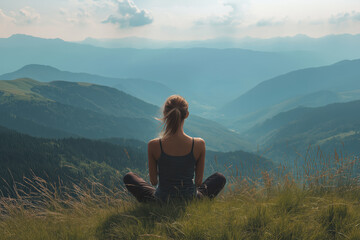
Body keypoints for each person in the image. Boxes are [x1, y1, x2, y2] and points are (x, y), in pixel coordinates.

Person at [123, 95, 226, 202]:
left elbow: (153, 181)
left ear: (165, 114)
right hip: (190, 199)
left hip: (161, 200)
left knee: (129, 177)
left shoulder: (154, 144)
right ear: (186, 115)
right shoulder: (199, 143)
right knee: (220, 178)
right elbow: (198, 182)